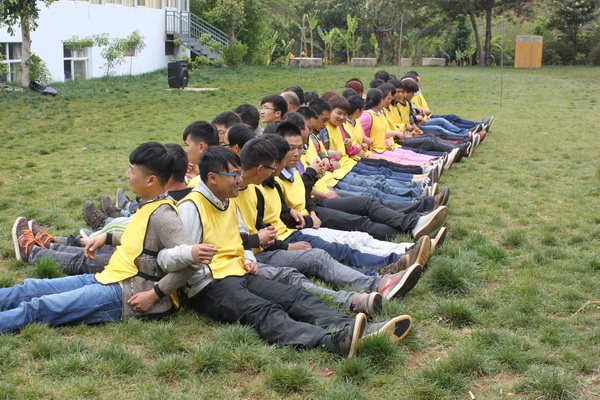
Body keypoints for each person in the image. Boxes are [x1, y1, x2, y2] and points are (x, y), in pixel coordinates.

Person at [178, 146, 415, 356]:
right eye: (234, 175)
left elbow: (239, 239)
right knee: (263, 310)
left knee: (293, 296)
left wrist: (247, 259)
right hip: (210, 285)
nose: (239, 180)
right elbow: (182, 257)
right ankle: (330, 342)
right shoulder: (191, 207)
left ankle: (355, 327)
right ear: (212, 177)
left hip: (239, 271)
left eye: (240, 173)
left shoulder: (228, 200)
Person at [2, 142, 208, 334]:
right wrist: (108, 238)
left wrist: (154, 294)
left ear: (151, 180)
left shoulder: (164, 215)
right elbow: (142, 239)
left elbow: (193, 262)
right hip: (110, 275)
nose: (127, 175)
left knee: (40, 307)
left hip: (128, 293)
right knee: (31, 289)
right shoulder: (150, 204)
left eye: (132, 170)